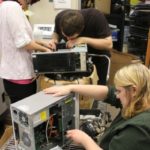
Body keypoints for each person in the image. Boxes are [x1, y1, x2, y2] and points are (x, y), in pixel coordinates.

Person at [44, 63, 150, 150]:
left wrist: (85, 140)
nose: (116, 95)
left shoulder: (137, 130)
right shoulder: (140, 99)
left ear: (134, 90)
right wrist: (71, 87)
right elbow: (108, 92)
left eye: (119, 91)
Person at [0, 0, 52, 103]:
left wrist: (42, 43)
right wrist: (46, 50)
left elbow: (17, 38)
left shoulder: (4, 6)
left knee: (21, 113)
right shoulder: (12, 7)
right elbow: (23, 42)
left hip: (13, 74)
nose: (25, 8)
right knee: (26, 113)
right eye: (28, 3)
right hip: (20, 75)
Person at [49, 8, 113, 85]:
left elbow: (109, 44)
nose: (68, 39)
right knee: (73, 88)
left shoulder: (95, 17)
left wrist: (83, 39)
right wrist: (54, 40)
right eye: (65, 36)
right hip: (75, 59)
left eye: (72, 37)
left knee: (97, 90)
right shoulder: (60, 17)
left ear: (82, 28)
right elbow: (56, 33)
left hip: (98, 58)